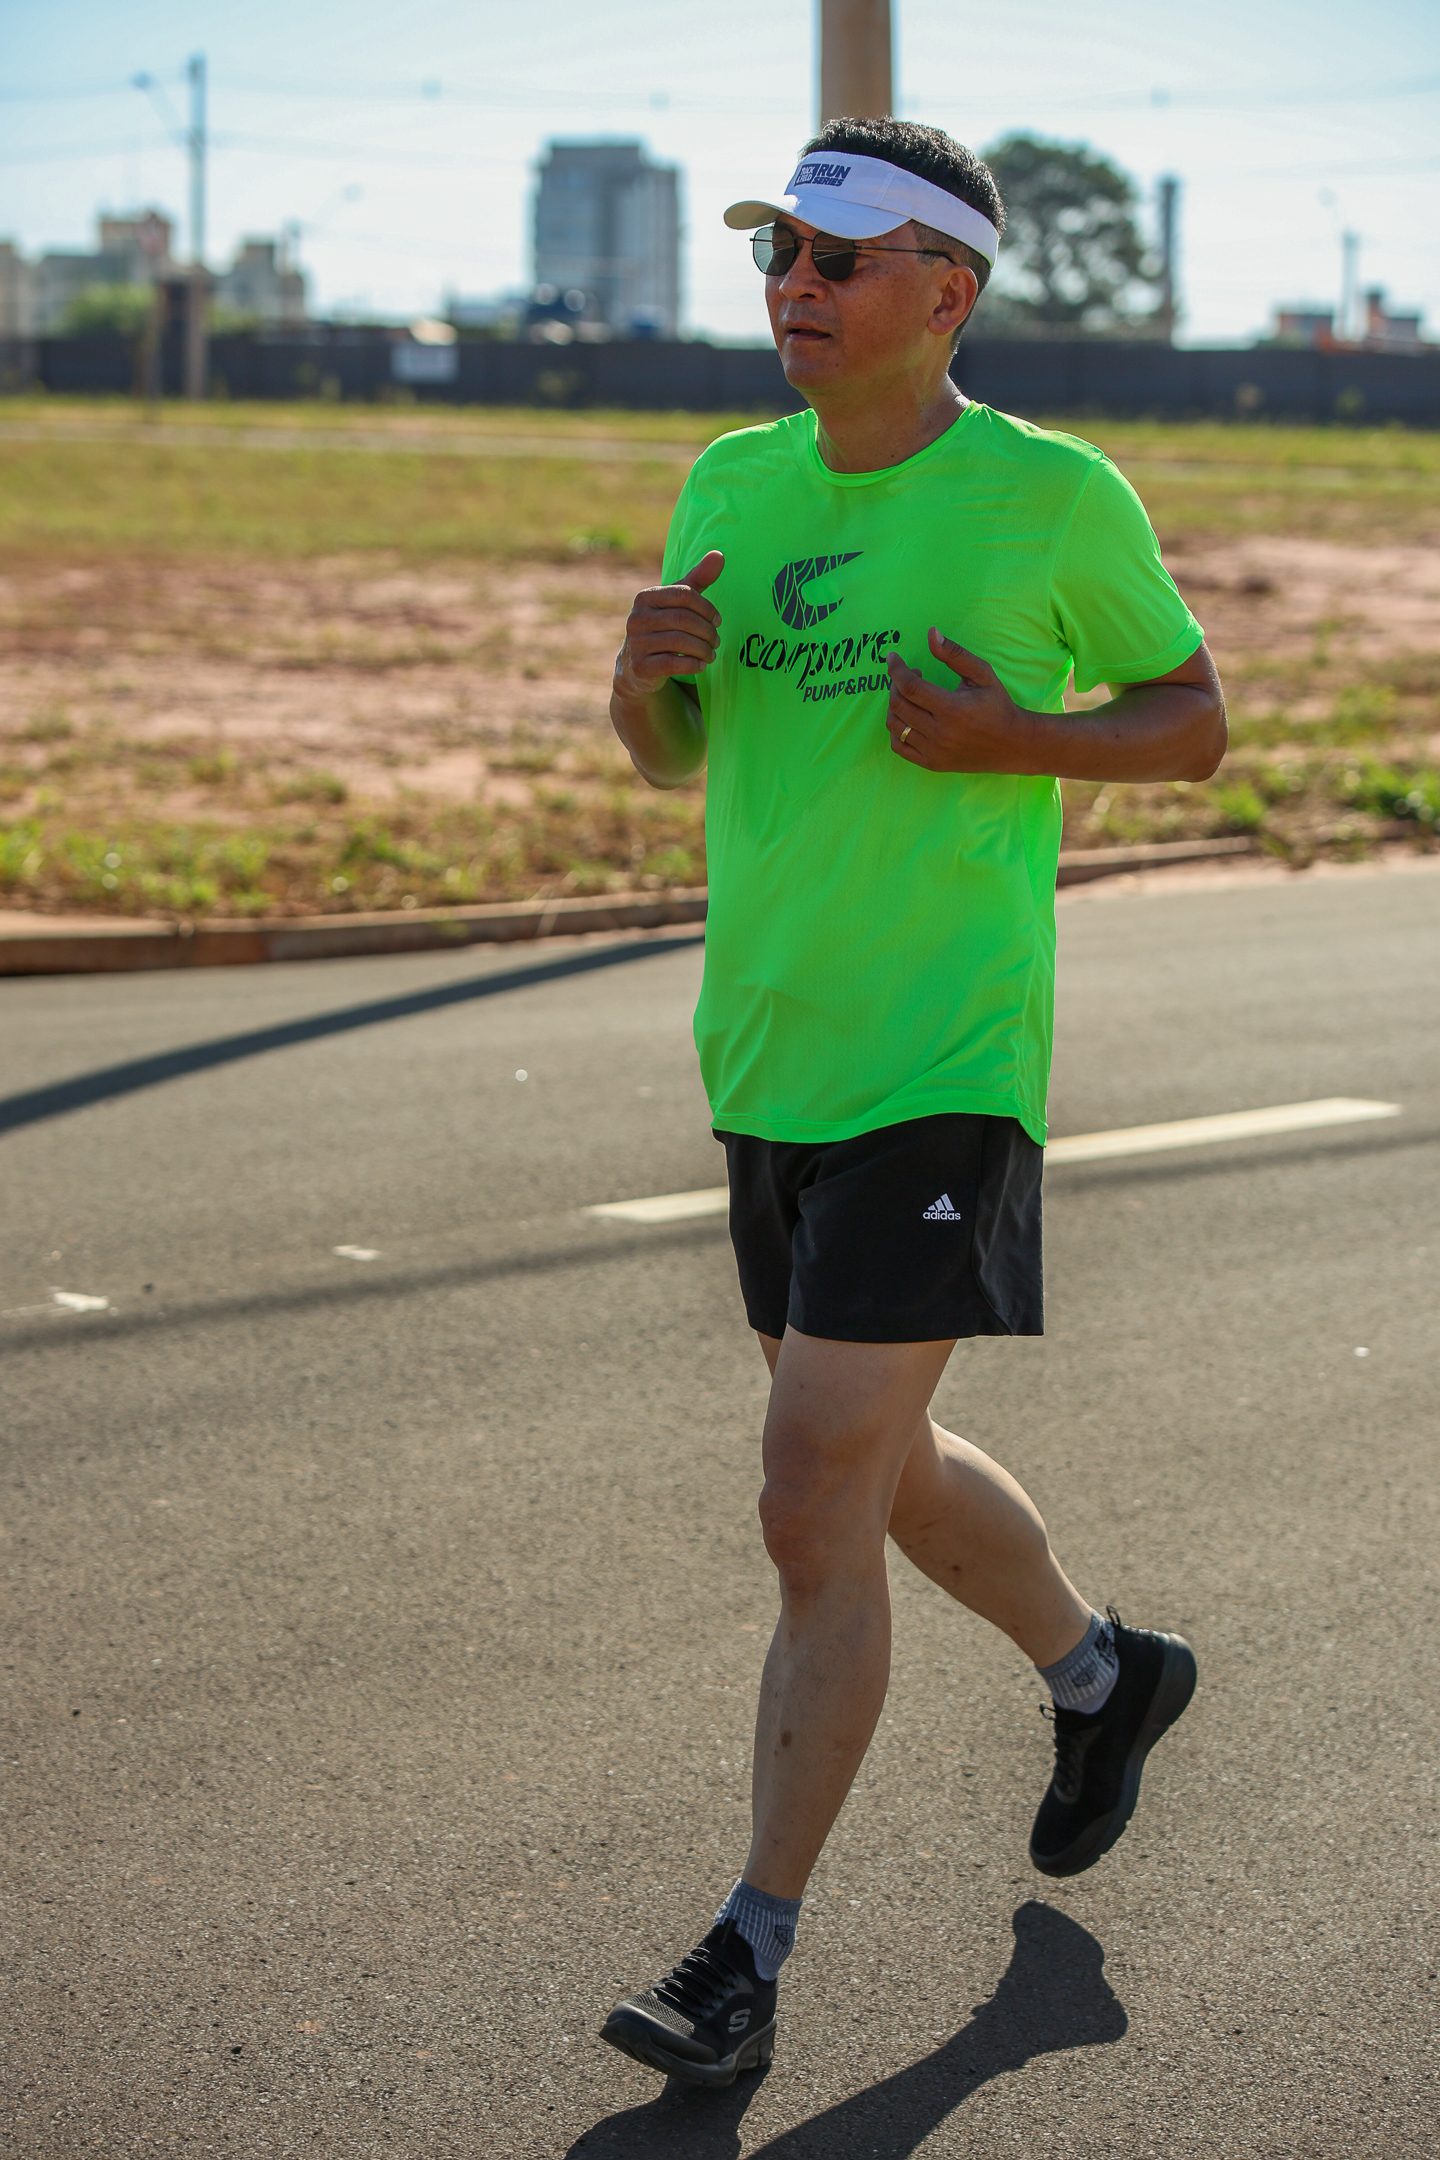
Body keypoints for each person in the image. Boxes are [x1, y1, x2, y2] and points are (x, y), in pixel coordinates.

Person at [600, 117, 1224, 2090]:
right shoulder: (732, 477)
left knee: (809, 1494)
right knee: (876, 1466)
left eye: (837, 257)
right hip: (765, 1050)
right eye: (777, 252)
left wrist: (1017, 736)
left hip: (945, 1063)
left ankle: (747, 1953)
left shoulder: (1048, 496)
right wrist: (641, 679)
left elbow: (1192, 723)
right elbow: (670, 753)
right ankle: (1105, 1676)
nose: (794, 285)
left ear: (944, 291)